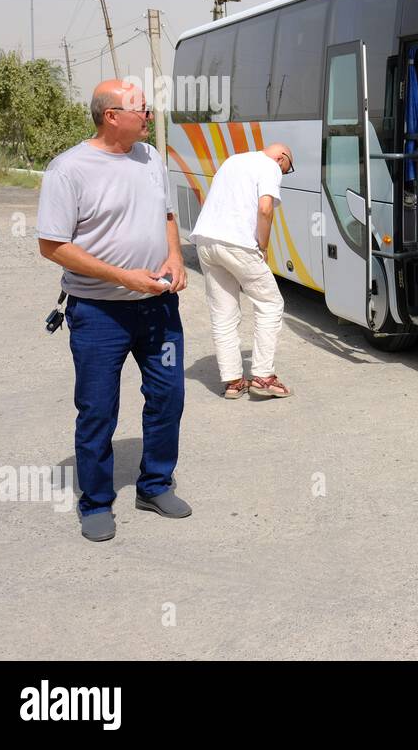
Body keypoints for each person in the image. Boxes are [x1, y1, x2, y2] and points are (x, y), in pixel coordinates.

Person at [37, 80, 191, 542]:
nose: (149, 117)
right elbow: (53, 246)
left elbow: (166, 214)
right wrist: (126, 278)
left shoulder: (151, 158)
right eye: (141, 110)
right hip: (98, 314)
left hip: (158, 308)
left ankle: (155, 484)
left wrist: (175, 257)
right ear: (111, 116)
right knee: (98, 409)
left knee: (168, 398)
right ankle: (97, 502)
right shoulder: (68, 169)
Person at [190, 144, 295, 399]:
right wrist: (264, 246)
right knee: (270, 303)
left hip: (206, 240)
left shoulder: (234, 160)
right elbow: (265, 208)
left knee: (223, 311)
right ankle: (263, 376)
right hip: (237, 243)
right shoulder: (270, 166)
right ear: (281, 158)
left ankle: (234, 382)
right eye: (287, 168)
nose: (284, 172)